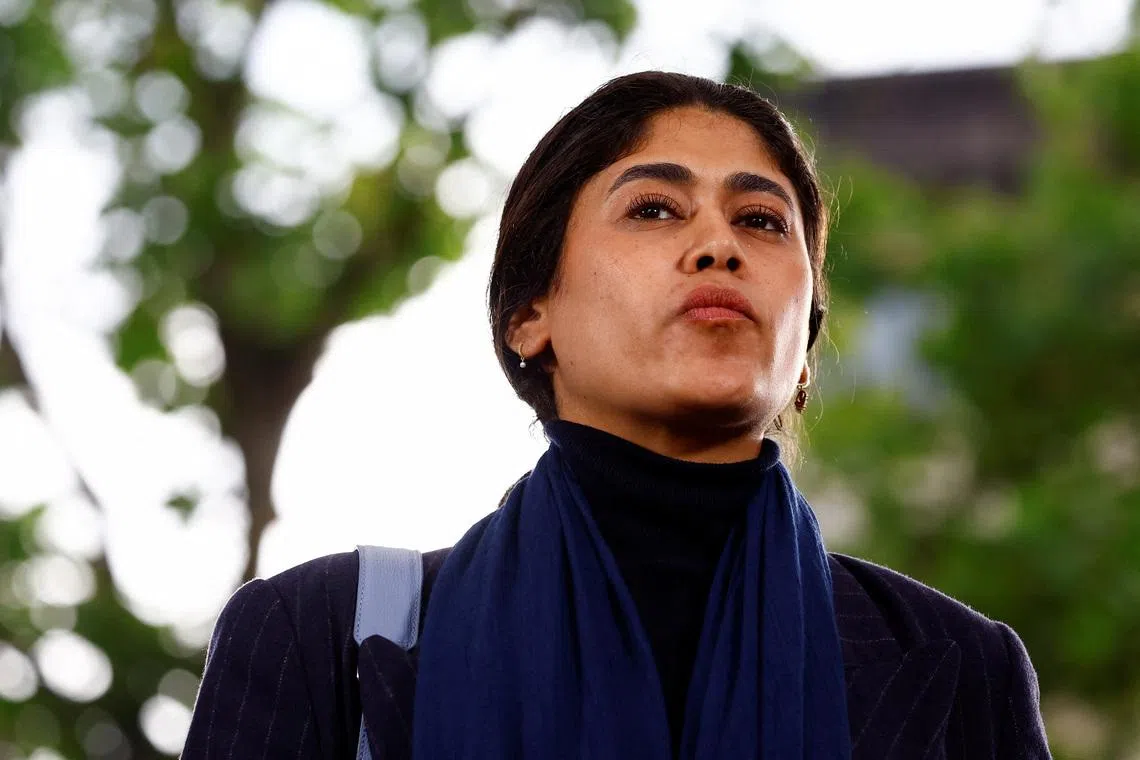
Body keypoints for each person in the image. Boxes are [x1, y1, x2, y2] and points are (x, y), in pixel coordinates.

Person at [182, 71, 1051, 759]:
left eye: (760, 220)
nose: (718, 246)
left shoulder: (958, 668)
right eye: (654, 209)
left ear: (804, 346)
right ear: (529, 316)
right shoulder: (324, 639)